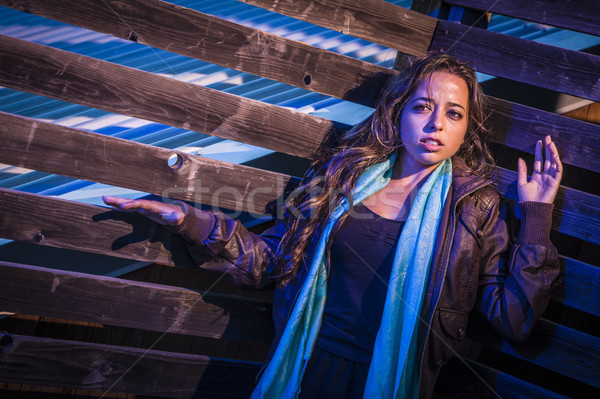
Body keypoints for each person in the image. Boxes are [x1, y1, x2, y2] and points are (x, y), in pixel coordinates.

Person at [103, 53, 562, 399]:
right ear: (398, 112)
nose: (436, 124)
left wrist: (536, 216)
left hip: (391, 379)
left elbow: (514, 318)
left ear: (466, 130)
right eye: (423, 107)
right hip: (307, 365)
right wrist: (187, 219)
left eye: (454, 113)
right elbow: (272, 264)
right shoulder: (343, 178)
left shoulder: (475, 206)